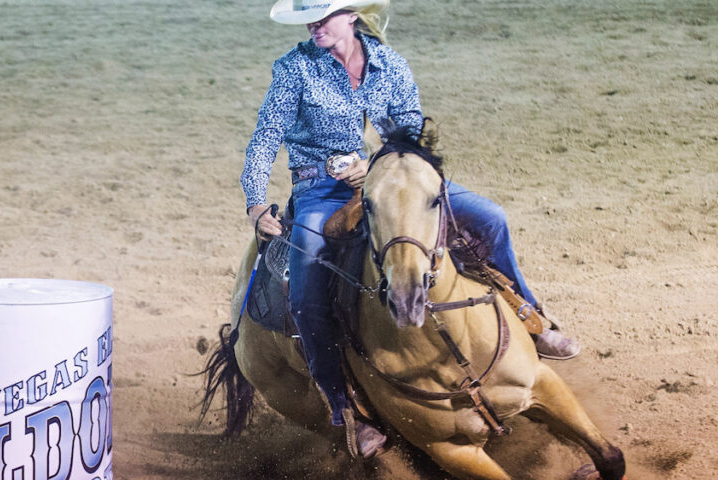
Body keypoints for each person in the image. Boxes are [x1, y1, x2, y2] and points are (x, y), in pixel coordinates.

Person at [241, 0, 580, 456]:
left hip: (391, 177)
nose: (314, 24)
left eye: (323, 15)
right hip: (321, 191)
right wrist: (256, 204)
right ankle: (346, 409)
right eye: (309, 17)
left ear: (351, 16)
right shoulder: (294, 68)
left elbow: (411, 135)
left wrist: (377, 165)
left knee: (490, 218)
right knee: (305, 290)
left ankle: (531, 318)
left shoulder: (389, 64)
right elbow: (264, 139)